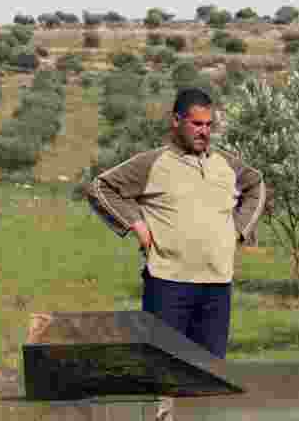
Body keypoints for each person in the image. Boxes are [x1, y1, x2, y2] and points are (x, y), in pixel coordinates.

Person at [86, 88, 265, 359]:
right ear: (176, 121)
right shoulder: (152, 163)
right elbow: (100, 188)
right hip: (168, 284)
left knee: (210, 373)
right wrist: (136, 224)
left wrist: (238, 231)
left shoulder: (226, 164)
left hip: (217, 284)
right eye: (196, 124)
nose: (204, 131)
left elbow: (256, 185)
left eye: (208, 125)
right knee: (163, 367)